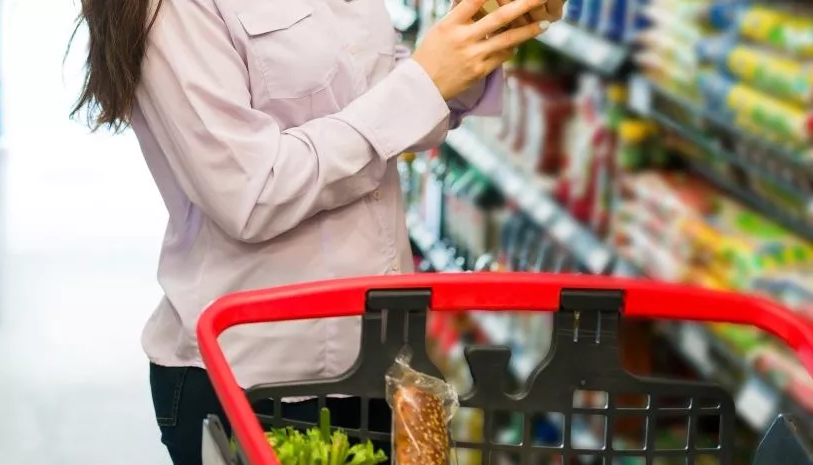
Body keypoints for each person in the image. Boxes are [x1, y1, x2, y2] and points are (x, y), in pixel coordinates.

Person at [73, 0, 563, 462]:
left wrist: (484, 30)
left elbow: (391, 110)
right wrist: (420, 85)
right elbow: (250, 194)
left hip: (380, 364)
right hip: (254, 381)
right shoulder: (173, 10)